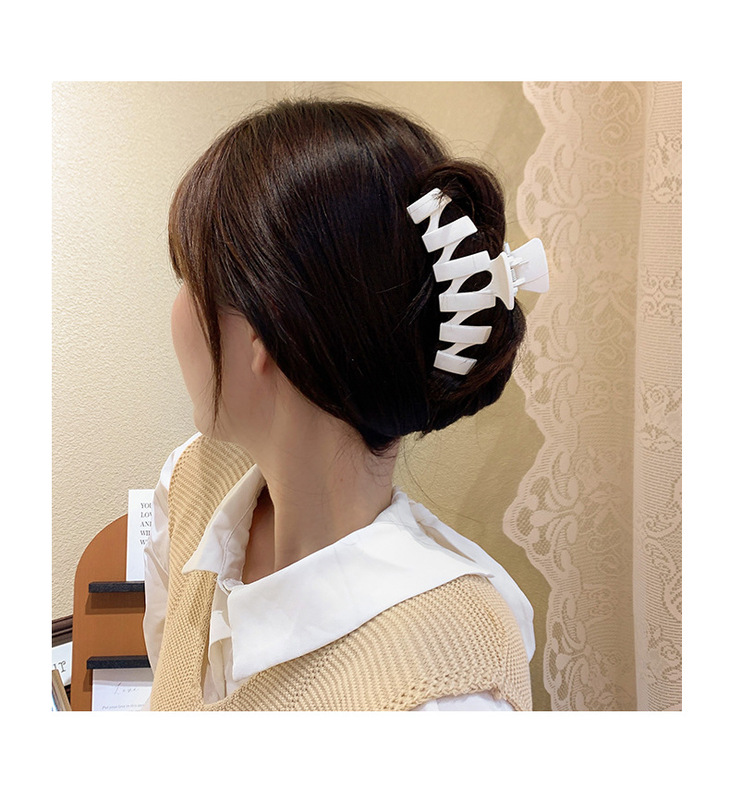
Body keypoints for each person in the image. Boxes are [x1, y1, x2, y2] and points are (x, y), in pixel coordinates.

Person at [142, 97, 546, 711]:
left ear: (263, 331)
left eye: (188, 280)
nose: (176, 311)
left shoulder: (445, 696)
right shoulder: (192, 483)